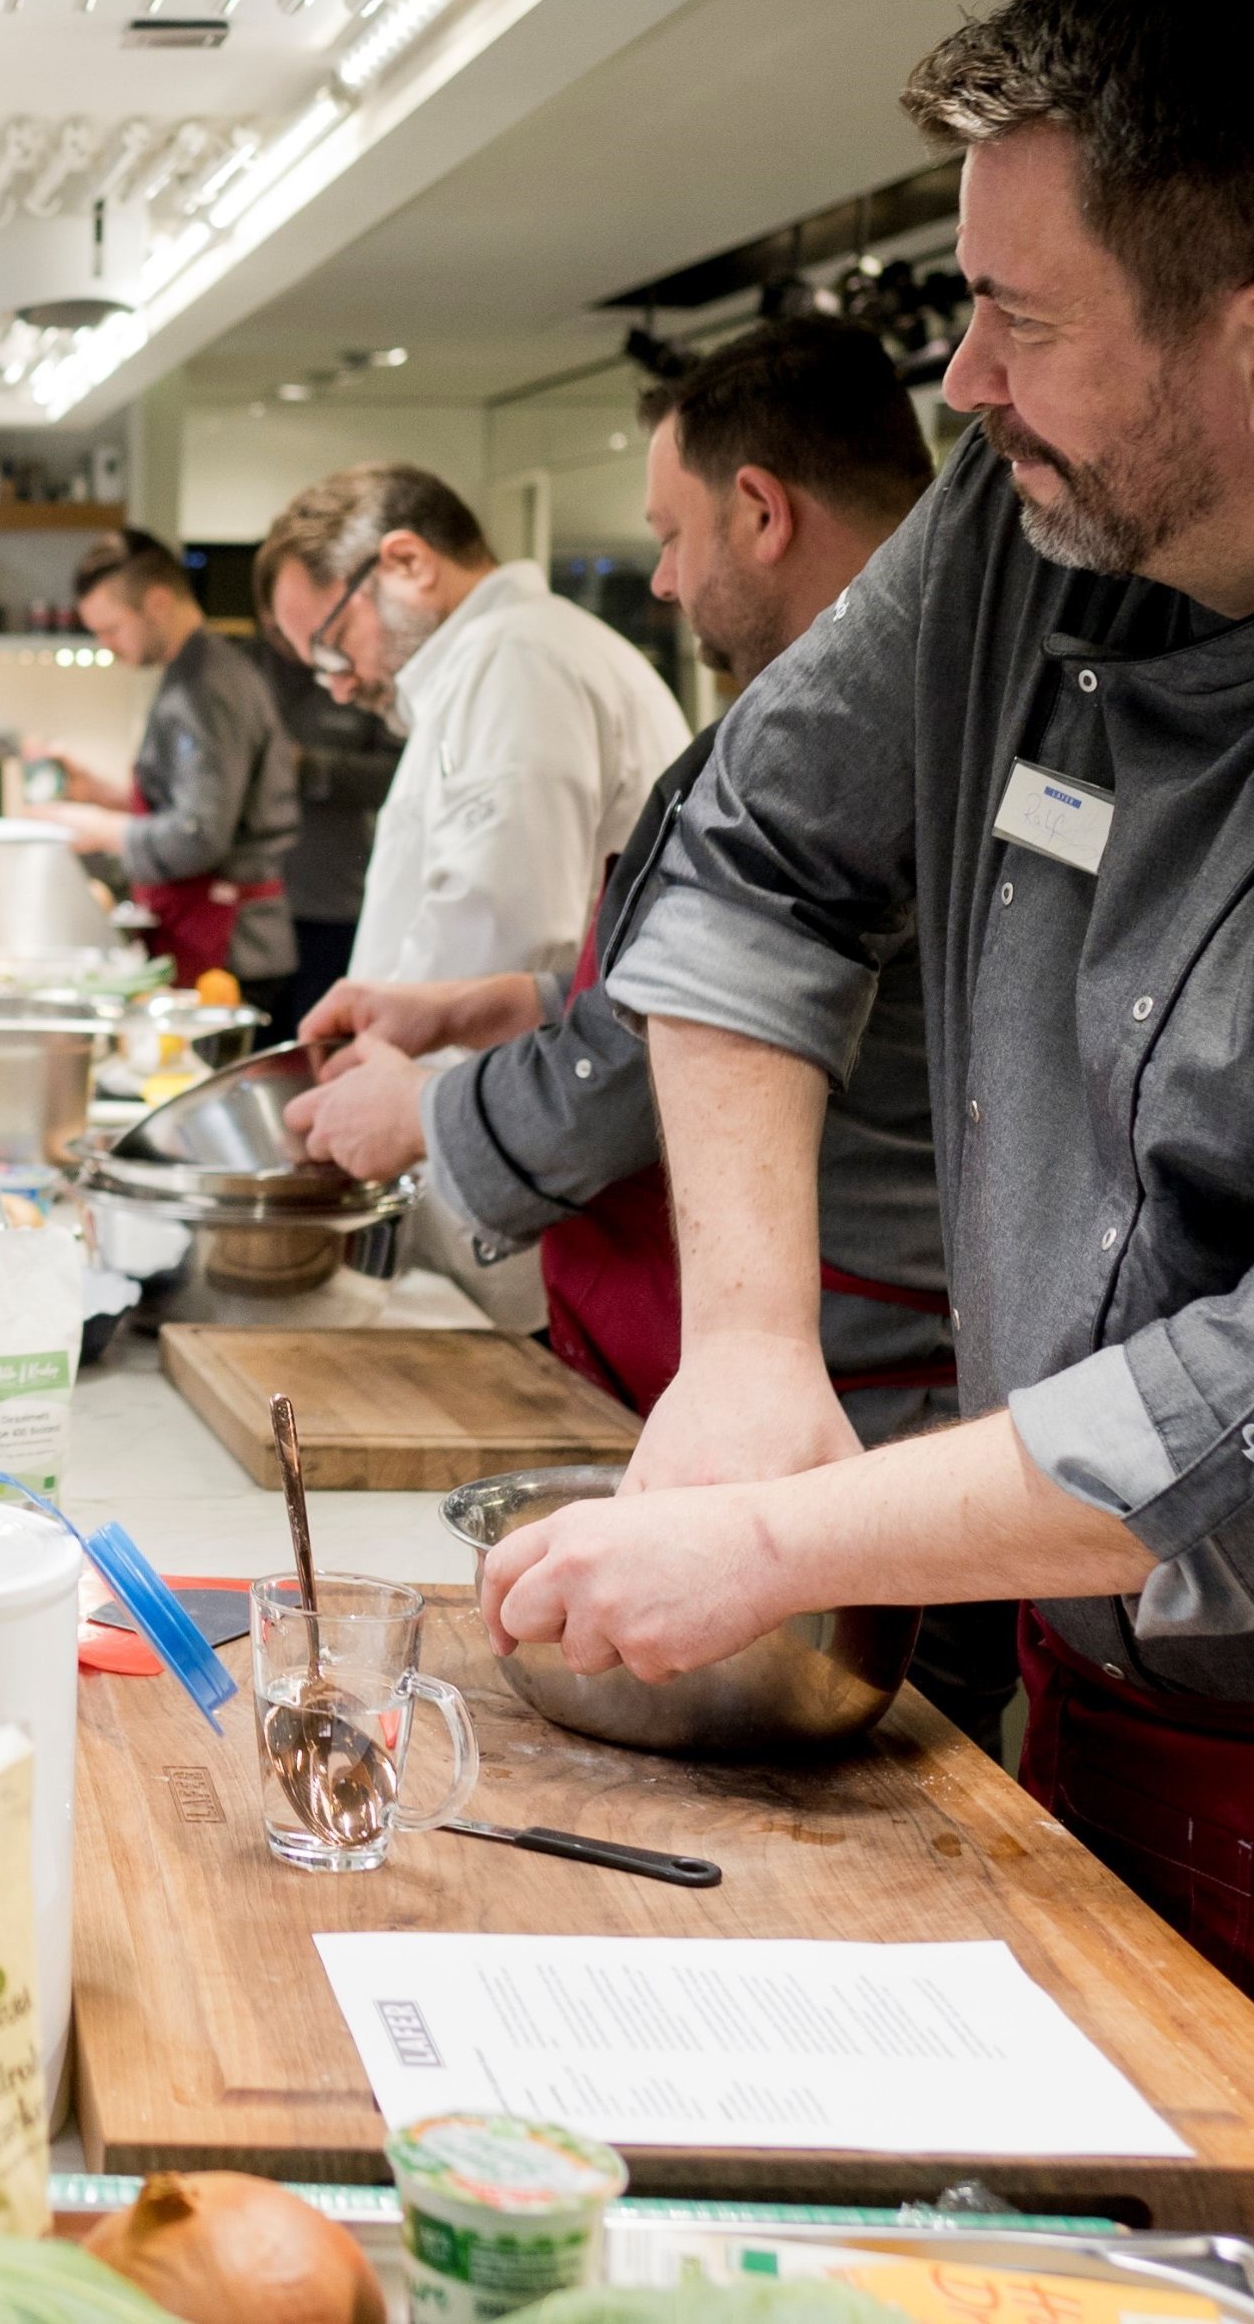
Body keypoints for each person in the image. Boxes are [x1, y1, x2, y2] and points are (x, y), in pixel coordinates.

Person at [487, 0, 1254, 2311]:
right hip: (1081, 1718)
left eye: (1015, 314)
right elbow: (764, 852)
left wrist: (786, 1552)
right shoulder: (1044, 513)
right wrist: (752, 1351)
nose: (959, 383)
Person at [280, 321, 995, 1730]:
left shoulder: (909, 709)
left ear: (762, 509)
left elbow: (660, 1054)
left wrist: (427, 1109)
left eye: (673, 533)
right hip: (758, 1362)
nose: (660, 575)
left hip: (850, 1393)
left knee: (873, 1792)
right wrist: (510, 1002)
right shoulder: (804, 706)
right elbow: (688, 988)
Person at [257, 466, 689, 1321]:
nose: (338, 684)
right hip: (497, 1152)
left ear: (408, 562)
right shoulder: (493, 666)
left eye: (335, 648)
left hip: (521, 1181)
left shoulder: (515, 660)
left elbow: (510, 928)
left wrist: (391, 1103)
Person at [38, 530, 298, 1004]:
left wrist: (103, 829)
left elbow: (200, 833)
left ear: (157, 602)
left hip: (233, 951)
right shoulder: (195, 672)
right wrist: (101, 793)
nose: (106, 645)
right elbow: (202, 801)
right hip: (217, 939)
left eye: (111, 629)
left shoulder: (206, 688)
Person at [259, 629, 402, 1032]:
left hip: (333, 899)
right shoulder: (253, 668)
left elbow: (398, 776)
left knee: (320, 1039)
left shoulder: (361, 674)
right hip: (257, 903)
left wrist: (308, 766)